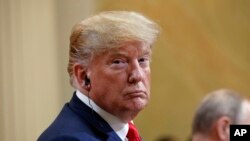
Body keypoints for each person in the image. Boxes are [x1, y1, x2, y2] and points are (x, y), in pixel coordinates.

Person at [37, 11, 160, 141]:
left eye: (142, 60)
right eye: (118, 62)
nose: (138, 75)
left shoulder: (123, 130)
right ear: (84, 77)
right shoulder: (68, 139)